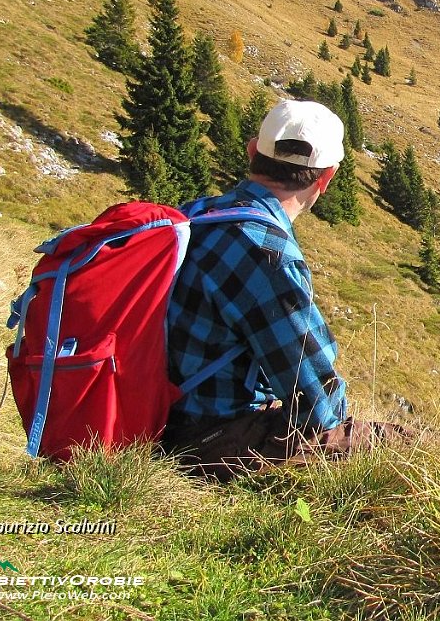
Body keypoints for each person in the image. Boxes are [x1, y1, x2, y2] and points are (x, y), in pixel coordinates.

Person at [160, 99, 406, 480]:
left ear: (253, 151)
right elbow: (318, 402)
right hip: (204, 437)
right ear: (326, 178)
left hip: (153, 412)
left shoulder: (194, 213)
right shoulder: (268, 256)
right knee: (412, 444)